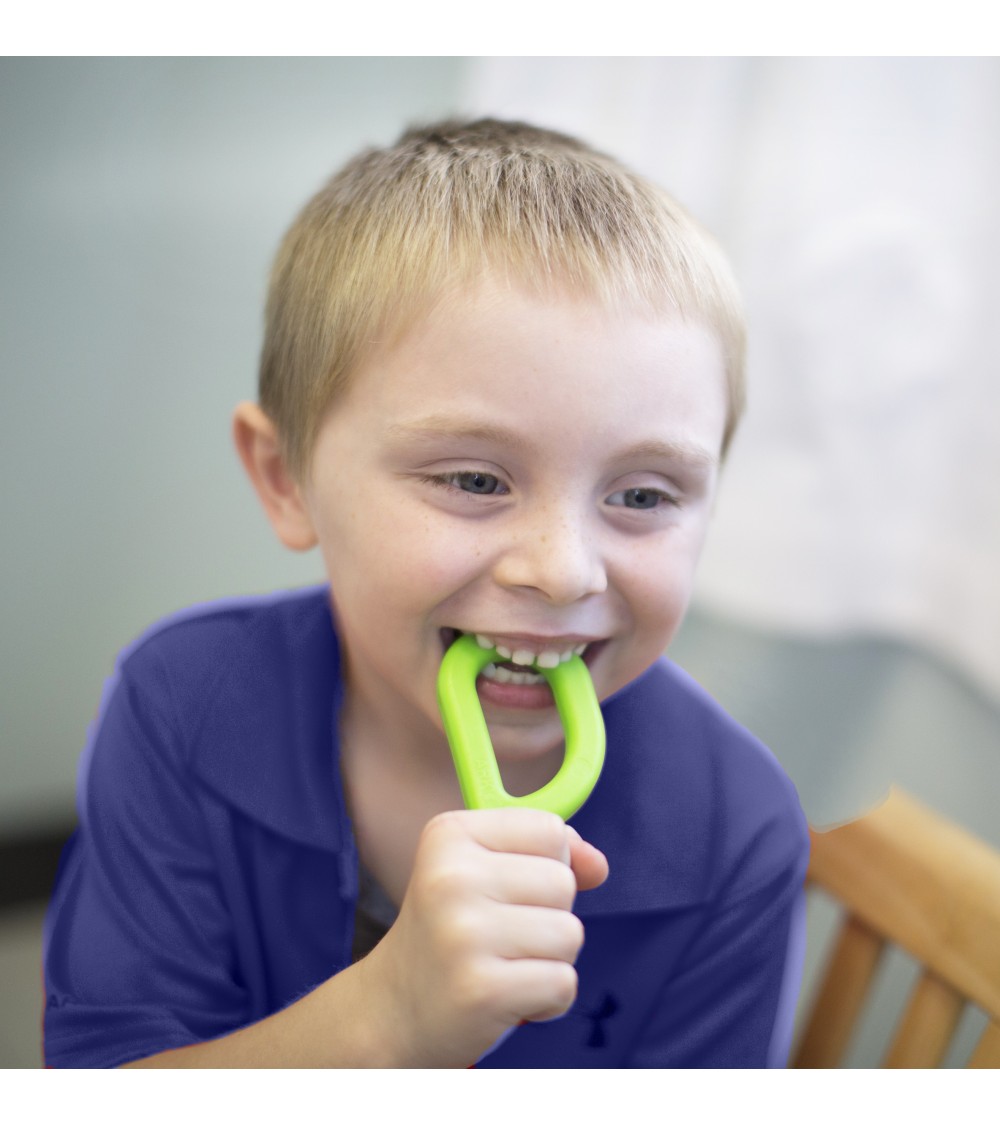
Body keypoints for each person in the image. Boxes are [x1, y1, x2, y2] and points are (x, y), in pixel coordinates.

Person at [43, 118, 809, 1068]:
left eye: (644, 496)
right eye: (476, 480)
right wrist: (387, 1020)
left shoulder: (737, 831)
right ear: (286, 479)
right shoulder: (186, 705)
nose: (564, 570)